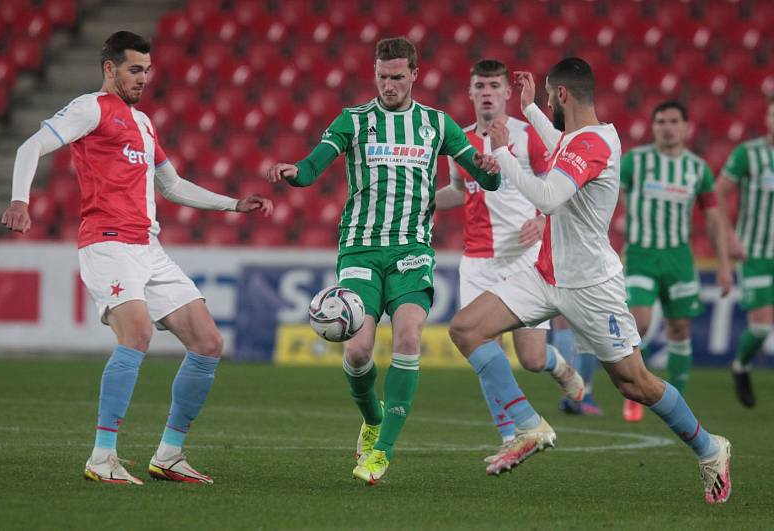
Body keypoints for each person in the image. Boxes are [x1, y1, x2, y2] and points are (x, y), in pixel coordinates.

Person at [448, 58, 732, 504]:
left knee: (634, 382)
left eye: (546, 96)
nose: (544, 101)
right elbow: (562, 145)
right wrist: (531, 112)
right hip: (544, 274)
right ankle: (527, 425)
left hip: (591, 287)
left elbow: (548, 195)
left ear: (563, 95)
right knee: (465, 328)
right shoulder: (581, 138)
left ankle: (710, 447)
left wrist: (503, 150)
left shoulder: (595, 144)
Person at [1, 31, 273, 485]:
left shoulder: (144, 123)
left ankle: (168, 454)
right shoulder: (91, 108)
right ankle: (102, 456)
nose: (144, 78)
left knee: (208, 342)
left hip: (148, 247)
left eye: (147, 70)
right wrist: (20, 201)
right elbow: (30, 146)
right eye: (134, 69)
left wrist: (232, 204)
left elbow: (173, 185)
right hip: (107, 242)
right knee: (138, 333)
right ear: (110, 68)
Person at [265, 37, 500, 485]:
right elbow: (316, 165)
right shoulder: (355, 120)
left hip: (412, 250)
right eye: (382, 76)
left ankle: (381, 452)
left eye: (397, 77)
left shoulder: (436, 124)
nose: (389, 84)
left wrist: (491, 164)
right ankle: (371, 419)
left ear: (415, 74)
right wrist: (296, 173)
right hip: (359, 249)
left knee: (409, 339)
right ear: (374, 74)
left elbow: (485, 179)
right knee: (356, 351)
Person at [434, 58, 584, 448]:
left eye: (493, 86)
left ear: (506, 92)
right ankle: (509, 435)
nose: (486, 93)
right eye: (479, 86)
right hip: (478, 261)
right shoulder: (459, 140)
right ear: (470, 93)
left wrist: (543, 220)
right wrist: (421, 201)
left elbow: (561, 187)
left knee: (531, 359)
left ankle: (559, 365)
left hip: (524, 258)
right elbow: (456, 190)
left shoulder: (528, 135)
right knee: (482, 348)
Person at [619, 101, 732, 422]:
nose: (666, 127)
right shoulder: (635, 161)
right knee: (637, 324)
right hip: (641, 254)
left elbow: (712, 218)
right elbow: (614, 196)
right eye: (660, 121)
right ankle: (637, 392)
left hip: (679, 257)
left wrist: (724, 264)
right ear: (653, 127)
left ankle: (675, 401)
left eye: (672, 121)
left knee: (680, 329)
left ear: (685, 127)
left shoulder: (698, 169)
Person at [716, 95, 774, 408]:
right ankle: (740, 365)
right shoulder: (749, 154)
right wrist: (730, 237)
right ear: (766, 119)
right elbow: (719, 192)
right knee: (762, 327)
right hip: (756, 254)